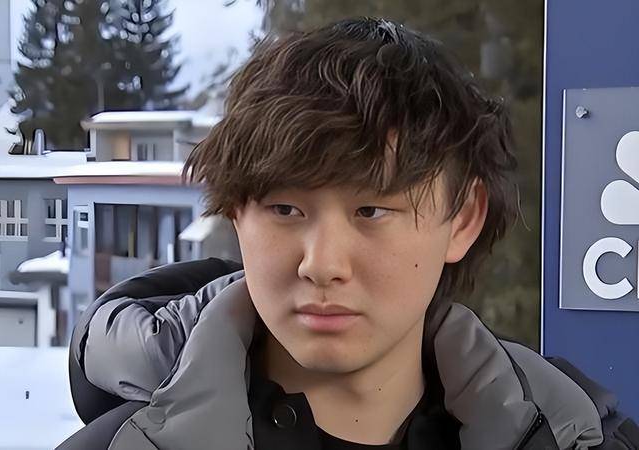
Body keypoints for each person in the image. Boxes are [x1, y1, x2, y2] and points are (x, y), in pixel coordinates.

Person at [57, 17, 638, 450]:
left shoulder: (574, 437)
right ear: (235, 213)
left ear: (462, 219)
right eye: (285, 209)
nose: (322, 264)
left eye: (371, 211)